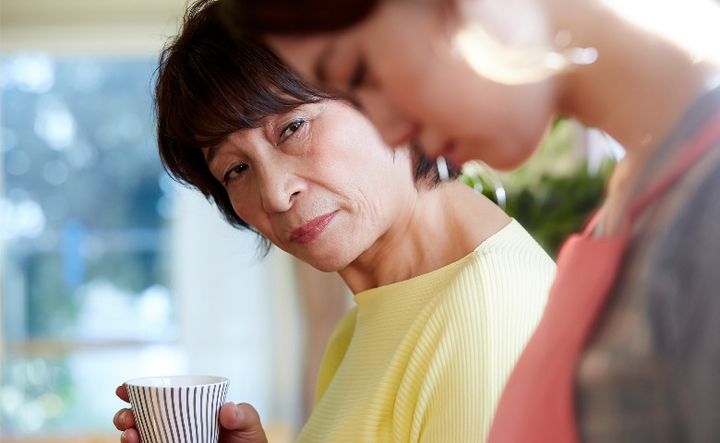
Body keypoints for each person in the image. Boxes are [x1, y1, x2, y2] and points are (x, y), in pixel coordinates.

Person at [223, 0, 720, 441]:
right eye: (234, 169)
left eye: (358, 72)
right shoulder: (635, 208)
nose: (389, 130)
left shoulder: (701, 212)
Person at [111, 1, 556, 442]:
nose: (275, 194)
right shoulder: (357, 328)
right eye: (236, 169)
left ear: (386, 92)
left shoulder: (487, 313)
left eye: (292, 127)